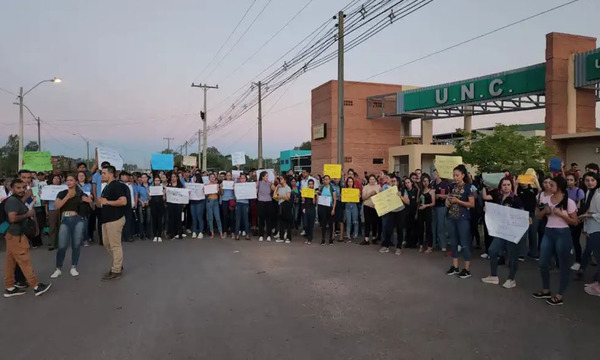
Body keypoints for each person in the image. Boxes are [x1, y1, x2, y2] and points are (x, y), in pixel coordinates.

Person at [533, 176, 578, 305]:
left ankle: (560, 294)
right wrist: (544, 212)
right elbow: (537, 215)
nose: (549, 186)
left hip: (562, 233)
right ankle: (546, 289)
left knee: (563, 264)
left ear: (559, 187)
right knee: (543, 262)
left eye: (552, 184)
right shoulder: (545, 199)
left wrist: (561, 215)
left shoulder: (569, 202)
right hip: (548, 232)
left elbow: (575, 222)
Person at [3, 179, 52, 297]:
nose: (22, 190)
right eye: (18, 188)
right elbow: (12, 218)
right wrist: (28, 214)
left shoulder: (15, 200)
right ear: (12, 188)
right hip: (16, 235)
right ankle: (36, 286)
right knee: (24, 261)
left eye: (23, 187)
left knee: (10, 262)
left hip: (11, 235)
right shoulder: (13, 201)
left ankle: (9, 287)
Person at [481, 177, 524, 288]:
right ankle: (494, 276)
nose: (506, 187)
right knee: (492, 250)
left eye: (508, 184)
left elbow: (521, 213)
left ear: (512, 186)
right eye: (504, 185)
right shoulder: (498, 197)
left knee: (513, 255)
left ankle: (511, 279)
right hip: (501, 231)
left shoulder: (516, 199)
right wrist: (488, 210)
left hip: (512, 231)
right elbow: (494, 210)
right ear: (500, 186)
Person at [50, 174, 94, 279]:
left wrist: (90, 201)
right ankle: (58, 268)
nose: (69, 182)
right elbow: (56, 206)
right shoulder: (62, 193)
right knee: (62, 246)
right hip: (65, 220)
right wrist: (67, 197)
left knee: (76, 244)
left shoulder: (81, 194)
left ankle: (73, 267)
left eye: (71, 180)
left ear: (76, 182)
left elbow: (92, 208)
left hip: (78, 220)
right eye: (67, 180)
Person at [446, 165, 475, 279]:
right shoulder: (452, 186)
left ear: (463, 175)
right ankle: (455, 266)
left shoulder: (469, 187)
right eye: (454, 175)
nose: (455, 177)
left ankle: (467, 269)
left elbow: (472, 204)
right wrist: (447, 202)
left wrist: (458, 201)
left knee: (464, 243)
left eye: (457, 175)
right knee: (453, 242)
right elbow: (449, 198)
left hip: (463, 218)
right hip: (452, 216)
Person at [99, 166, 127, 281]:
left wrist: (108, 202)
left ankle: (116, 270)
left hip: (115, 219)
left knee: (115, 245)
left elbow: (123, 201)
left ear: (111, 174)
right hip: (106, 219)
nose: (102, 175)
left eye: (104, 173)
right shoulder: (107, 187)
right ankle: (118, 263)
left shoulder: (116, 185)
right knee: (107, 243)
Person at [574, 172, 600, 295]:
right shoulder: (589, 192)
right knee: (593, 253)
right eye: (587, 180)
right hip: (592, 228)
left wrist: (588, 215)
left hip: (597, 228)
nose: (590, 183)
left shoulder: (598, 193)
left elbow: (595, 213)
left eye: (592, 180)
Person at [379, 176, 410, 254]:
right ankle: (386, 246)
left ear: (398, 182)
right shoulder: (388, 190)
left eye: (395, 181)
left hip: (400, 211)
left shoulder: (402, 190)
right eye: (392, 181)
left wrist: (400, 196)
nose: (393, 182)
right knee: (388, 229)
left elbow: (408, 202)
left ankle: (399, 247)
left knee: (400, 229)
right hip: (391, 211)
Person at [517, 176, 540, 260]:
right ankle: (522, 253)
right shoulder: (518, 191)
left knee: (533, 232)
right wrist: (515, 184)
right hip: (522, 213)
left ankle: (534, 252)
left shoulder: (533, 190)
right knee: (523, 234)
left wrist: (536, 182)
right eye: (521, 181)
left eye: (525, 181)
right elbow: (514, 195)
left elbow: (541, 194)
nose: (523, 183)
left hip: (533, 213)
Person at [566, 173, 585, 271]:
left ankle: (578, 261)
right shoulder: (565, 191)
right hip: (567, 218)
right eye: (567, 180)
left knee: (576, 240)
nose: (569, 182)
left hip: (577, 218)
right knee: (567, 238)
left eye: (571, 180)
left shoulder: (579, 191)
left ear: (575, 181)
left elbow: (581, 205)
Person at [316, 175, 337, 245]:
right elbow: (318, 195)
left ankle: (331, 239)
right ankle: (323, 239)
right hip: (323, 207)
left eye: (327, 179)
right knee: (323, 224)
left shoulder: (332, 188)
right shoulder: (321, 187)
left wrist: (333, 209)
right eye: (325, 179)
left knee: (331, 224)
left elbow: (334, 199)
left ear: (329, 180)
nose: (326, 181)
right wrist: (317, 195)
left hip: (330, 207)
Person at [432, 169, 450, 251]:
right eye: (434, 173)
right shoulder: (432, 184)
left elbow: (448, 195)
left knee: (441, 226)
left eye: (436, 173)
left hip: (441, 206)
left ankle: (443, 244)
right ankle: (433, 243)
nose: (435, 175)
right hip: (433, 206)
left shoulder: (444, 184)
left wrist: (439, 195)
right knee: (433, 225)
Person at [417, 174, 435, 253]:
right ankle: (421, 245)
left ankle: (429, 246)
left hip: (428, 211)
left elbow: (433, 203)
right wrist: (419, 202)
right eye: (424, 181)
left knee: (428, 229)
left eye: (427, 181)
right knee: (420, 228)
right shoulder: (420, 190)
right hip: (421, 211)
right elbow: (417, 201)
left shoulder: (431, 191)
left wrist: (426, 205)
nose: (426, 183)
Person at [361, 175, 381, 245]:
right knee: (367, 222)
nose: (372, 180)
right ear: (368, 180)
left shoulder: (378, 187)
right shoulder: (366, 187)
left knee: (375, 223)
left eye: (373, 179)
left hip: (375, 207)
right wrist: (370, 194)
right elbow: (363, 197)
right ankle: (366, 238)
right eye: (370, 179)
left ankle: (374, 238)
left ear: (375, 180)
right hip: (367, 206)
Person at [45, 174, 63, 251]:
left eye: (57, 178)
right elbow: (46, 200)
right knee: (52, 227)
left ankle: (60, 243)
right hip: (52, 208)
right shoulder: (48, 188)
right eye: (54, 178)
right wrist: (46, 210)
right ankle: (51, 243)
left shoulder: (63, 188)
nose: (56, 180)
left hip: (61, 208)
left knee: (61, 226)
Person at [166, 172, 185, 240]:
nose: (173, 178)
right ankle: (171, 233)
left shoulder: (180, 185)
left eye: (174, 177)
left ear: (177, 178)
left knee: (178, 218)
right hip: (171, 203)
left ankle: (179, 233)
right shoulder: (169, 185)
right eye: (172, 177)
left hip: (178, 204)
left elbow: (183, 194)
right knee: (171, 218)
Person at [206, 173, 224, 239]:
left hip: (216, 201)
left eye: (213, 177)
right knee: (210, 218)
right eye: (211, 177)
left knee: (218, 217)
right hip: (209, 201)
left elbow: (220, 194)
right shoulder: (207, 185)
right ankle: (212, 232)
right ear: (209, 178)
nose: (212, 178)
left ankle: (221, 232)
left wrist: (218, 190)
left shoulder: (217, 185)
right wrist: (208, 192)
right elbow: (205, 195)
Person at [403, 177, 420, 248]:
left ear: (411, 183)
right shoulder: (404, 191)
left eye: (408, 182)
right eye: (406, 183)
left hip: (414, 212)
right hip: (407, 212)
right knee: (408, 228)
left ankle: (414, 243)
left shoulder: (415, 191)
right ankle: (408, 242)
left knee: (415, 228)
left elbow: (417, 201)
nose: (407, 184)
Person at [275, 175, 293, 243]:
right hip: (280, 205)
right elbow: (275, 196)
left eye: (281, 179)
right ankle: (281, 237)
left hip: (286, 205)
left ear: (285, 180)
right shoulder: (280, 187)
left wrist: (281, 196)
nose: (280, 180)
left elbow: (288, 197)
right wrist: (277, 188)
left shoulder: (287, 188)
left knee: (287, 222)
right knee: (281, 222)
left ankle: (289, 237)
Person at [257, 171, 274, 242]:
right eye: (266, 176)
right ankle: (261, 235)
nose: (267, 177)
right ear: (262, 177)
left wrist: (272, 183)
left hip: (269, 202)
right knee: (261, 219)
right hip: (261, 202)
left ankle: (269, 235)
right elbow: (254, 189)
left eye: (268, 176)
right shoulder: (259, 183)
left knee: (269, 219)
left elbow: (274, 189)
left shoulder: (269, 183)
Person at [344, 176, 360, 242]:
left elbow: (358, 200)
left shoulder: (355, 190)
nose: (350, 183)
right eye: (349, 182)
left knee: (355, 221)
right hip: (347, 205)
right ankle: (348, 235)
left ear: (353, 182)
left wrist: (359, 196)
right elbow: (343, 199)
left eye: (351, 181)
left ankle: (355, 234)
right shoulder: (345, 190)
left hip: (354, 205)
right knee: (348, 221)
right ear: (347, 183)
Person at [234, 173, 250, 240]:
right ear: (239, 179)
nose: (243, 179)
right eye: (241, 178)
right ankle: (237, 234)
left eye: (244, 178)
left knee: (246, 219)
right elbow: (234, 194)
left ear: (246, 179)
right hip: (238, 203)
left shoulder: (249, 185)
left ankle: (247, 234)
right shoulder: (237, 185)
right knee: (238, 219)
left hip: (245, 203)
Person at [189, 174, 205, 239]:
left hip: (200, 202)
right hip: (193, 202)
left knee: (199, 217)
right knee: (194, 217)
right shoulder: (191, 184)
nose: (193, 178)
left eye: (194, 177)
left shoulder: (202, 185)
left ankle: (201, 232)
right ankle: (194, 231)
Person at [149, 176, 165, 242]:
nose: (157, 182)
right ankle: (155, 235)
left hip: (160, 205)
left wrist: (164, 194)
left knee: (159, 220)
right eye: (156, 180)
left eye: (158, 180)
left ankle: (159, 235)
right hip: (153, 205)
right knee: (154, 220)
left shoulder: (162, 188)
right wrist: (149, 194)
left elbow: (164, 199)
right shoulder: (151, 188)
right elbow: (149, 199)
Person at [220, 172, 236, 238]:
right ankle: (225, 231)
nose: (228, 176)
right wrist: (221, 188)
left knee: (232, 217)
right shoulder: (222, 183)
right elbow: (221, 193)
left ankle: (232, 232)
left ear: (231, 176)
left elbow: (234, 193)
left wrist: (233, 189)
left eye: (230, 175)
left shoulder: (233, 183)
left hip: (231, 200)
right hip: (224, 200)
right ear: (226, 176)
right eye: (227, 175)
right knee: (225, 216)